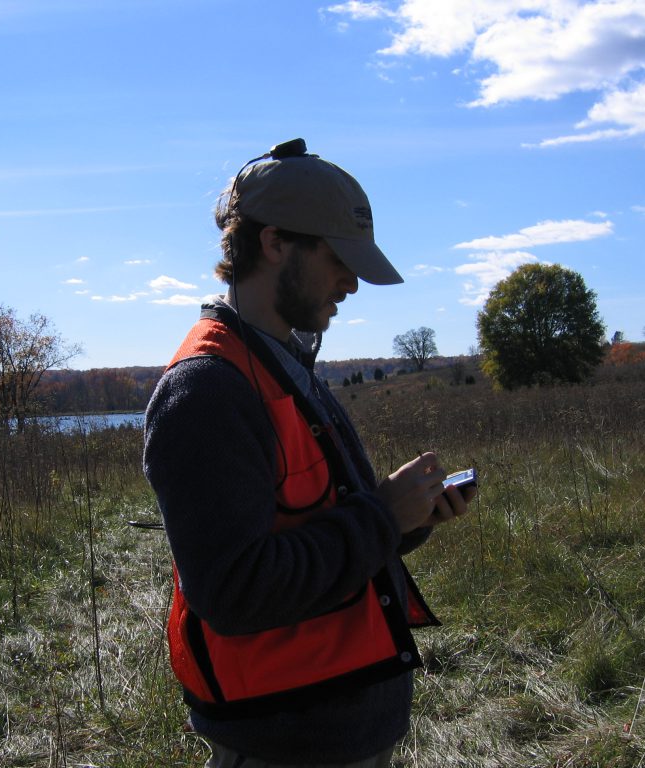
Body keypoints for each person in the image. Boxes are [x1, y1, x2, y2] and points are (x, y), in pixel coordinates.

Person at [143, 139, 474, 768]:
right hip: (286, 746)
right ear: (274, 243)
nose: (352, 282)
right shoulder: (208, 390)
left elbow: (314, 528)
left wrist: (405, 520)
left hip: (337, 734)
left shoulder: (284, 362)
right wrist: (382, 516)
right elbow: (236, 591)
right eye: (338, 259)